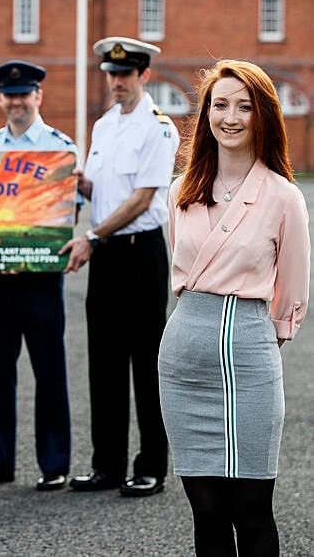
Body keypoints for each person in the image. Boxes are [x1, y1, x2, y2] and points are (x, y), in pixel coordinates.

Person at [159, 60, 309, 555]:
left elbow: (291, 286)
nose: (230, 117)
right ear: (204, 115)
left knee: (251, 507)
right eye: (219, 105)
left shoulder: (284, 196)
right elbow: (181, 273)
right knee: (206, 510)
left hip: (249, 356)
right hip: (183, 358)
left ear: (263, 115)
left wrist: (258, 338)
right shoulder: (181, 191)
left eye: (244, 106)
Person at [60, 37, 179, 497]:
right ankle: (106, 465)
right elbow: (104, 191)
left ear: (143, 75)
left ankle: (151, 465)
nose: (116, 82)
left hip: (140, 252)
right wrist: (77, 183)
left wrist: (91, 235)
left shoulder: (159, 127)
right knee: (104, 364)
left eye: (125, 74)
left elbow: (142, 199)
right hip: (106, 252)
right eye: (111, 74)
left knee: (146, 365)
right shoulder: (105, 125)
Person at [0, 60, 75, 491]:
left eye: (25, 93)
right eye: (10, 94)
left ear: (38, 96)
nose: (17, 100)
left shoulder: (62, 149)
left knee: (49, 370)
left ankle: (55, 463)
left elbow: (67, 212)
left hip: (40, 279)